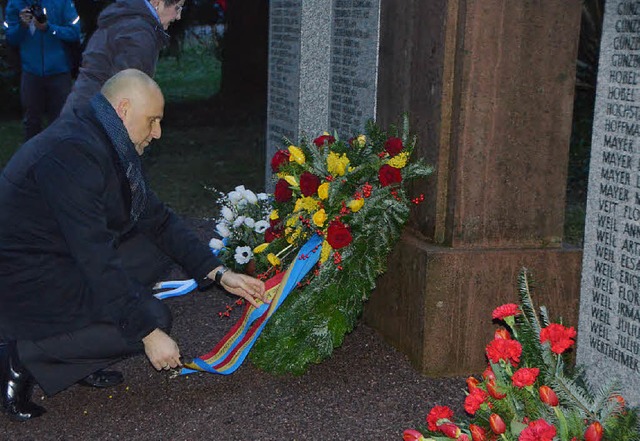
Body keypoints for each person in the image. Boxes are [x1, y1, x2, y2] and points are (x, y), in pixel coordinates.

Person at [0, 69, 266, 422]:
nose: (158, 133)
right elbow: (96, 259)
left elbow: (159, 220)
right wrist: (148, 333)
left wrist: (219, 273)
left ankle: (78, 358)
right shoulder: (71, 155)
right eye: (152, 120)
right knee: (153, 318)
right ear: (123, 108)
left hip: (59, 257)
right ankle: (18, 357)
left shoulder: (104, 138)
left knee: (154, 249)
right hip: (24, 279)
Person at [61, 0, 184, 113]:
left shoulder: (123, 20)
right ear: (157, 2)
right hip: (95, 121)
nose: (178, 16)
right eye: (177, 8)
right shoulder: (139, 33)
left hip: (81, 109)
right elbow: (127, 94)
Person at [4, 0, 81, 140]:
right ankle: (32, 158)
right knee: (31, 121)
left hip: (59, 70)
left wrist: (49, 28)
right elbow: (10, 38)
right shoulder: (15, 3)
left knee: (61, 119)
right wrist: (22, 26)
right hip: (30, 71)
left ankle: (59, 156)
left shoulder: (62, 2)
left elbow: (74, 32)